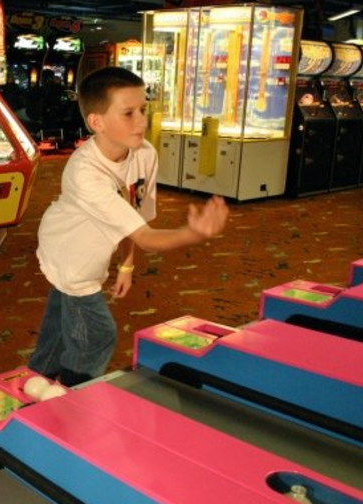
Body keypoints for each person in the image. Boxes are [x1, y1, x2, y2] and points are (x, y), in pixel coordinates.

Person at [28, 67, 229, 387]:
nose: (142, 121)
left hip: (96, 242)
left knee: (60, 327)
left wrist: (126, 263)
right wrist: (194, 233)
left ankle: (34, 378)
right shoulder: (84, 172)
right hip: (71, 251)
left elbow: (135, 216)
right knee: (96, 335)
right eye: (128, 113)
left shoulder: (145, 154)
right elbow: (146, 237)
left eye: (143, 110)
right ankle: (69, 396)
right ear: (97, 122)